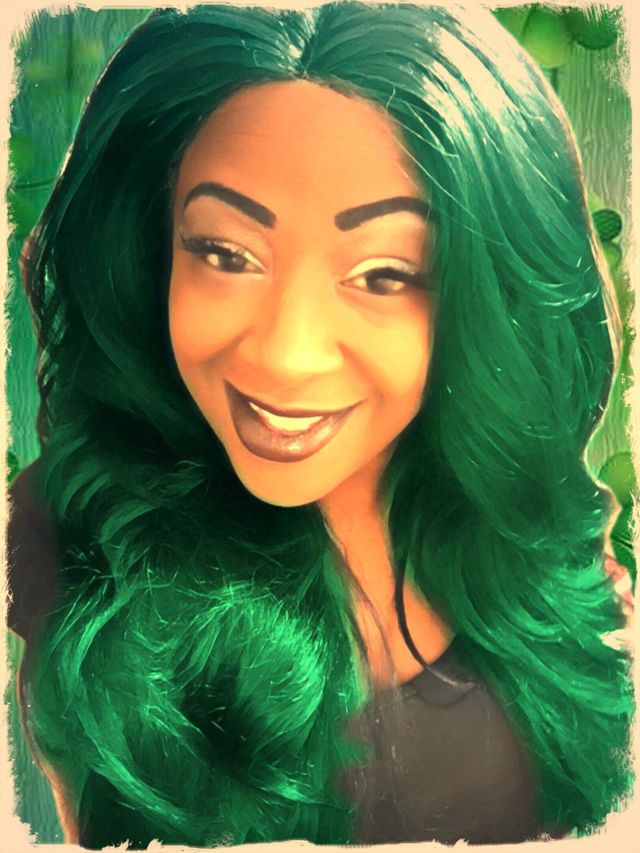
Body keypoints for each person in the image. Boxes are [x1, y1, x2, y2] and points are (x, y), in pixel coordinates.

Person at [8, 2, 633, 847]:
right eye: (225, 253)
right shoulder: (77, 548)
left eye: (383, 274)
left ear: (489, 302)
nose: (287, 355)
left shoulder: (548, 549)